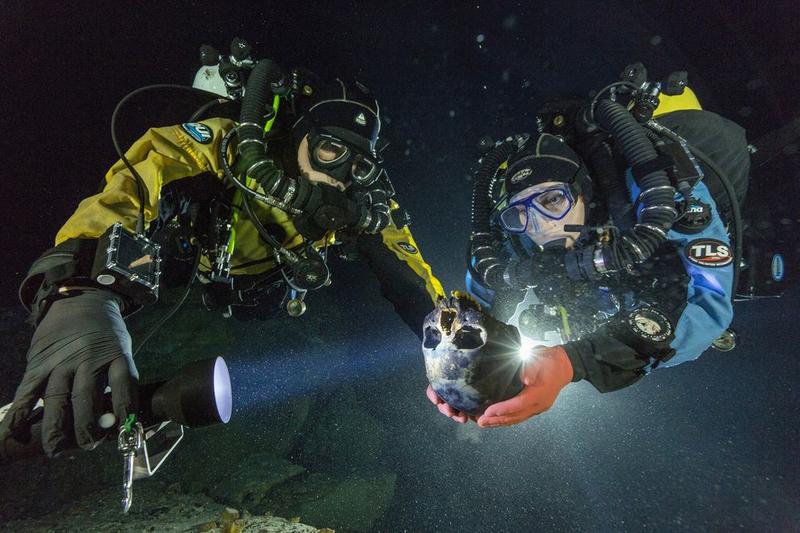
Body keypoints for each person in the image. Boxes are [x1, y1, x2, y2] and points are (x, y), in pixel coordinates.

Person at [0, 42, 444, 458]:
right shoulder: (227, 144)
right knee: (165, 266)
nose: (339, 175)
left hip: (264, 282)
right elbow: (144, 170)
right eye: (330, 149)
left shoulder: (361, 201)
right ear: (300, 134)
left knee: (260, 310)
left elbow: (408, 266)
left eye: (358, 164)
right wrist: (76, 285)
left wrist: (463, 343)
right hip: (199, 252)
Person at [427, 75, 753, 428]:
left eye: (553, 200)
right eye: (521, 211)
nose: (540, 223)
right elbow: (478, 299)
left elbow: (710, 303)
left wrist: (575, 361)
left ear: (583, 190)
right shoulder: (517, 230)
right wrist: (452, 367)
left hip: (663, 258)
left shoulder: (655, 192)